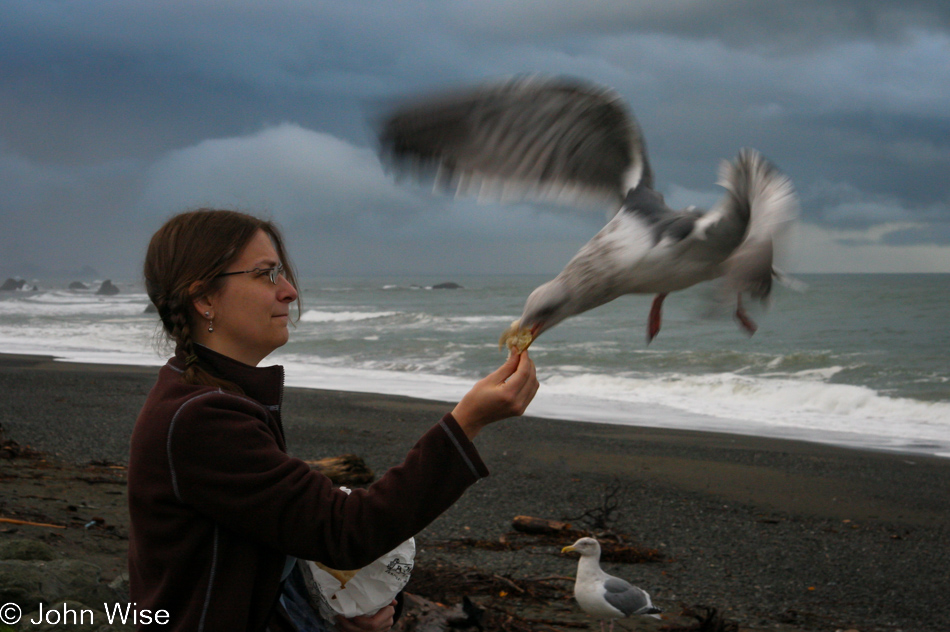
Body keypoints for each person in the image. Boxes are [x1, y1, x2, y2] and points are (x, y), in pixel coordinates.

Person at [128, 208, 539, 632]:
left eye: (283, 273)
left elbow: (254, 556)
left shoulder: (204, 396)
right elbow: (345, 531)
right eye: (266, 274)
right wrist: (466, 423)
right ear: (204, 299)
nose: (288, 291)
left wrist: (325, 620)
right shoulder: (203, 419)